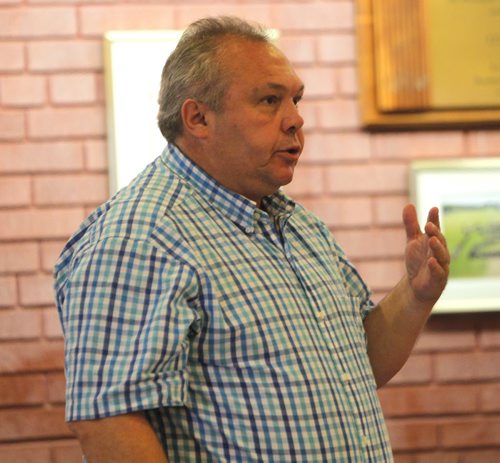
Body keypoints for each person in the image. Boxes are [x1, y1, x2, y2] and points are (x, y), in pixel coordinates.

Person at [54, 16, 450, 462]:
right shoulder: (138, 239)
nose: (296, 120)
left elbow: (361, 363)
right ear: (198, 118)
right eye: (269, 100)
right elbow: (109, 421)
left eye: (295, 100)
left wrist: (414, 296)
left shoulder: (301, 227)